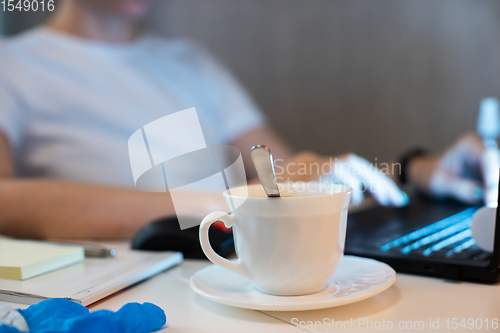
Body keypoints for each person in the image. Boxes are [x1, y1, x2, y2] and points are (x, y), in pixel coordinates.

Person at [0, 0, 496, 240]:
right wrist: (237, 203)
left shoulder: (189, 60)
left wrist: (411, 172)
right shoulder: (14, 64)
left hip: (240, 270)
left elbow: (289, 173)